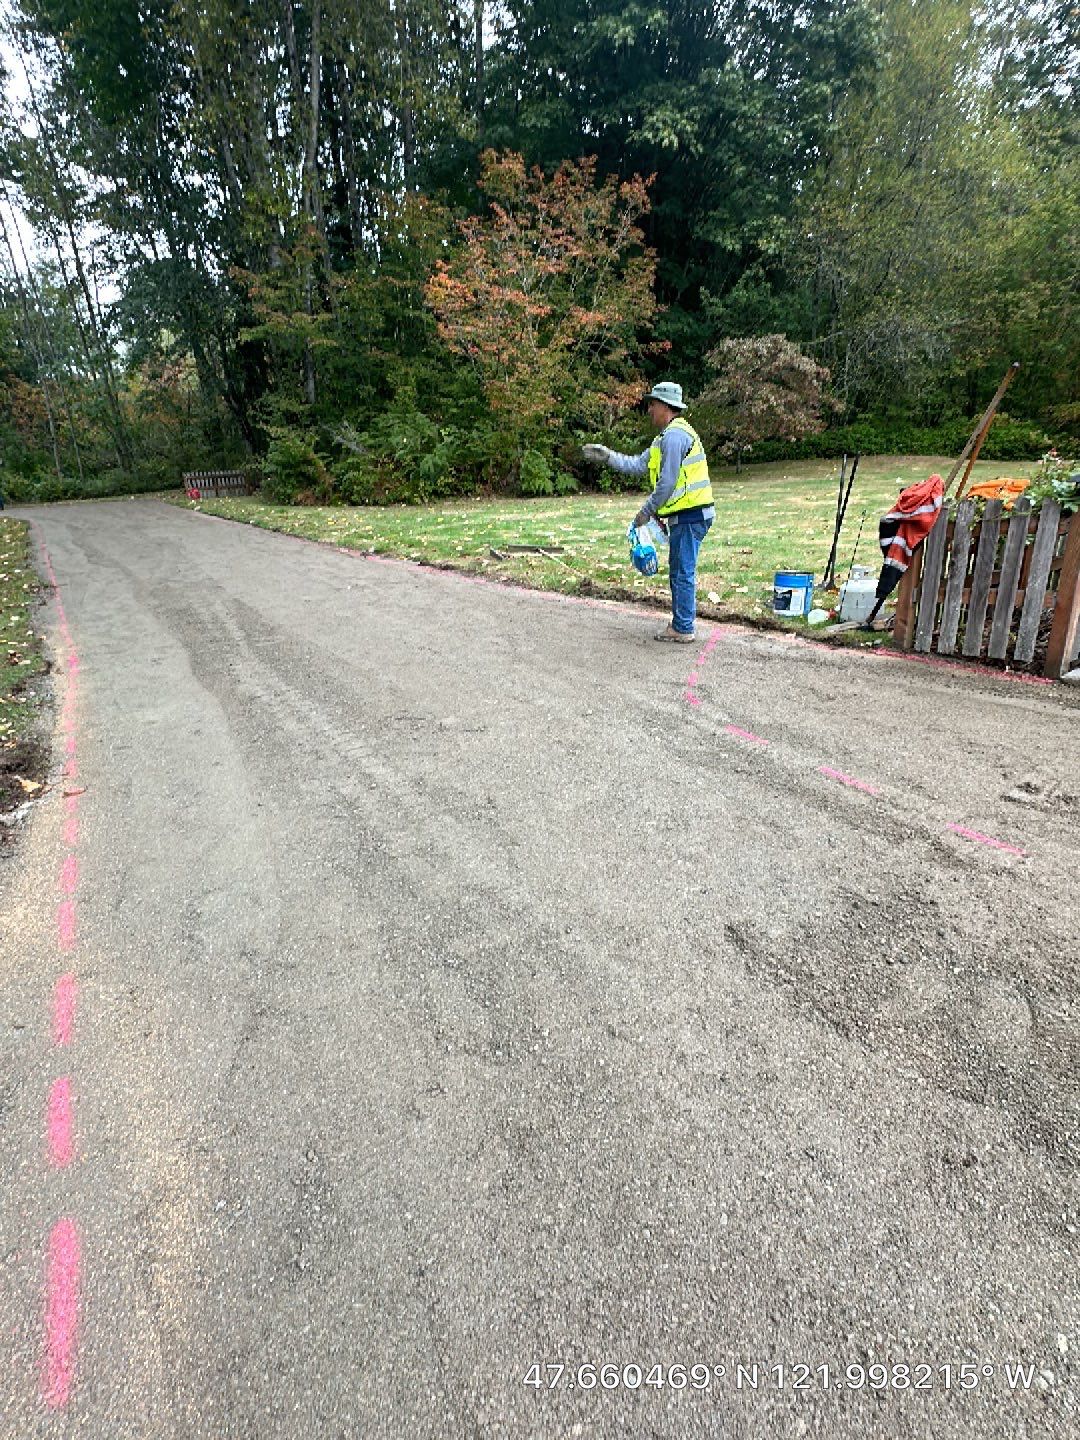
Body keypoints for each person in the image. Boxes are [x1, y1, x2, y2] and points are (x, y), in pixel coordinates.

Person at [583, 381, 714, 643]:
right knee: (679, 570)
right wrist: (608, 456)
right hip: (686, 514)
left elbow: (666, 483)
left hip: (691, 515)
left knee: (683, 571)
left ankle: (683, 627)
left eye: (652, 405)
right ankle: (681, 623)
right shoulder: (664, 439)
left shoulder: (675, 436)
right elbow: (636, 465)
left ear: (665, 406)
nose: (649, 410)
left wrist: (646, 512)